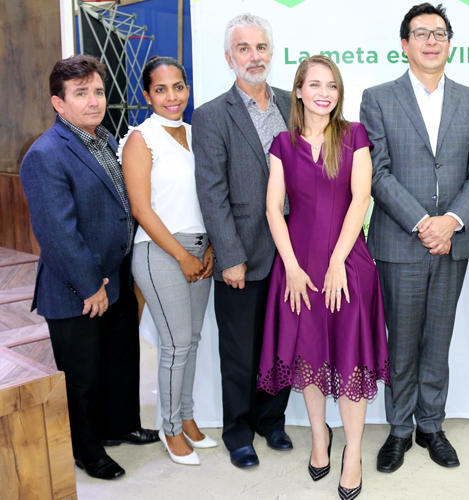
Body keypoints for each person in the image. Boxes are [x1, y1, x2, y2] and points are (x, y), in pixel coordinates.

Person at [360, 2, 469, 472]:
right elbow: (378, 172)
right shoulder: (377, 97)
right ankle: (398, 429)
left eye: (439, 33)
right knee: (401, 341)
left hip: (453, 241)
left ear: (450, 43)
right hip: (401, 241)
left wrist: (450, 221)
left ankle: (431, 425)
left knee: (439, 338)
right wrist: (423, 223)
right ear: (404, 45)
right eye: (421, 33)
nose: (431, 41)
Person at [19, 54, 158, 480]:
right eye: (81, 94)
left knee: (119, 360)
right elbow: (57, 233)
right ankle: (87, 450)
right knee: (82, 377)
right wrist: (88, 285)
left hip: (114, 277)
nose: (94, 101)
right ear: (59, 104)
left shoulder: (104, 138)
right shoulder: (45, 154)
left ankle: (120, 425)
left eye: (97, 91)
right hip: (76, 287)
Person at [257, 54, 389, 500]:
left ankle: (352, 453)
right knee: (308, 360)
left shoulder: (354, 135)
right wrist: (291, 267)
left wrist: (336, 262)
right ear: (297, 91)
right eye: (314, 84)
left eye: (331, 85)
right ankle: (319, 437)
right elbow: (274, 208)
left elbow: (361, 197)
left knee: (350, 360)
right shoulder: (281, 143)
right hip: (296, 267)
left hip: (348, 263)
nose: (323, 93)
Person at [192, 13, 293, 469]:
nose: (254, 56)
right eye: (244, 49)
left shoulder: (296, 105)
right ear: (229, 58)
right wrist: (229, 255)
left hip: (295, 253)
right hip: (243, 253)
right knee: (239, 350)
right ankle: (239, 431)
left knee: (283, 343)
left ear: (272, 53)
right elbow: (211, 193)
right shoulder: (212, 115)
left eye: (261, 47)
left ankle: (273, 421)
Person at [119, 56, 217, 466]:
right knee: (175, 345)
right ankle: (170, 429)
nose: (172, 96)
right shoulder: (141, 139)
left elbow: (208, 197)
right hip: (160, 252)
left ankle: (189, 418)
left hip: (200, 250)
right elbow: (142, 209)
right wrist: (181, 255)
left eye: (178, 87)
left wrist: (209, 247)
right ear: (147, 95)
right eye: (161, 89)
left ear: (187, 89)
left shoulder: (198, 135)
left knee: (191, 342)